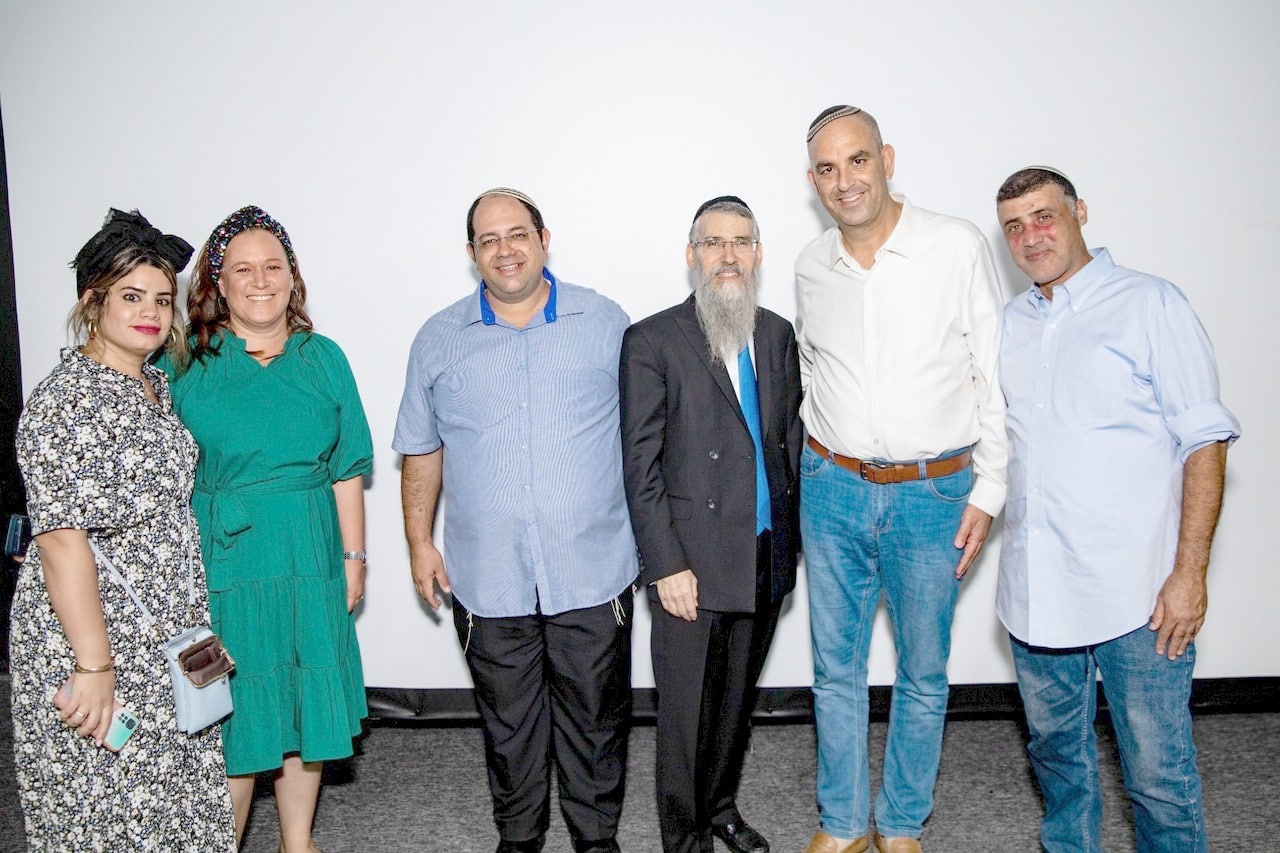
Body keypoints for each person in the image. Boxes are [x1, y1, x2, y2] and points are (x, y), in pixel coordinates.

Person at [994, 166, 1239, 852]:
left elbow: (1205, 442)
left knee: (1158, 774)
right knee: (1057, 761)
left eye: (1044, 216)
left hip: (1139, 596)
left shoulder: (1151, 303)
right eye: (1014, 226)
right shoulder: (1011, 323)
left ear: (1080, 213)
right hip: (1036, 593)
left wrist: (1189, 575)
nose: (1031, 236)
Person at [394, 188, 637, 853]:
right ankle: (520, 837)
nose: (505, 249)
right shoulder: (438, 339)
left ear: (543, 238)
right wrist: (418, 542)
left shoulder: (605, 322)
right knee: (509, 725)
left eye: (517, 233)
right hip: (487, 574)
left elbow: (645, 435)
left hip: (592, 567)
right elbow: (421, 448)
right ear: (471, 253)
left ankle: (596, 839)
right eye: (489, 239)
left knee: (596, 721)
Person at [795, 105, 1008, 853]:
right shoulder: (810, 266)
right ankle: (843, 824)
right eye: (827, 168)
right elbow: (812, 369)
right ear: (813, 180)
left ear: (886, 159)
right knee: (835, 669)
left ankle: (902, 824)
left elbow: (993, 372)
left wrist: (990, 489)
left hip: (933, 494)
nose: (844, 180)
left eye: (857, 160)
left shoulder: (955, 244)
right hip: (832, 487)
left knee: (923, 669)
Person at [10, 208, 236, 850]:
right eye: (131, 296)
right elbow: (61, 542)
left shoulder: (152, 386)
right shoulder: (67, 401)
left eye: (162, 300)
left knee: (175, 804)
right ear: (93, 302)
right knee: (109, 810)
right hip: (95, 635)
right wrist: (94, 664)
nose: (152, 313)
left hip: (163, 632)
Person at [164, 205, 372, 852]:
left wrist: (355, 558)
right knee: (233, 711)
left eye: (273, 266)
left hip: (310, 554)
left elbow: (346, 468)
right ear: (217, 284)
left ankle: (296, 842)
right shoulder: (182, 364)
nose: (260, 280)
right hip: (224, 560)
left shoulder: (323, 358)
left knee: (304, 704)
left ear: (292, 277)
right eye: (242, 269)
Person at [620, 196, 801, 853]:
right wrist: (665, 563)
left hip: (764, 554)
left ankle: (720, 807)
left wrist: (793, 543)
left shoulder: (777, 334)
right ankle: (685, 837)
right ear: (691, 255)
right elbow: (639, 465)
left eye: (741, 242)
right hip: (690, 565)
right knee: (685, 715)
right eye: (713, 242)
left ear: (758, 254)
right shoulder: (652, 340)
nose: (728, 255)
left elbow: (787, 441)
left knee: (734, 705)